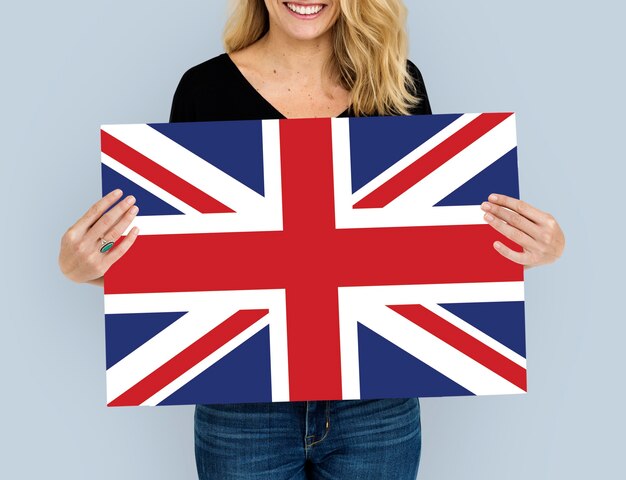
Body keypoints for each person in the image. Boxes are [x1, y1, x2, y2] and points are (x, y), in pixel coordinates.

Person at [58, 0, 566, 478]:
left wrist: (541, 247)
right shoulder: (203, 88)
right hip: (242, 412)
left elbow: (433, 252)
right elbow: (176, 267)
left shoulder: (396, 86)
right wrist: (86, 267)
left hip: (377, 406)